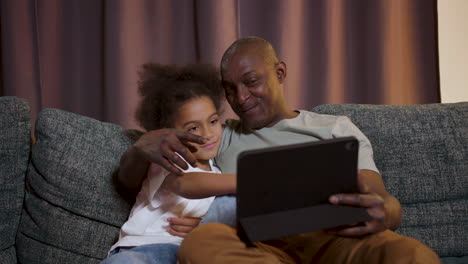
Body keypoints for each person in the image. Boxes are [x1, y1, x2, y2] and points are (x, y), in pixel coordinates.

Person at [118, 37, 440, 263]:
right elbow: (139, 181)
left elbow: (379, 197)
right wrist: (141, 147)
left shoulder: (334, 127)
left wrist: (389, 211)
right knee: (202, 243)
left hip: (335, 240)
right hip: (261, 249)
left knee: (410, 255)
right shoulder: (217, 134)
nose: (241, 98)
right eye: (230, 89)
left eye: (251, 81)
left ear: (280, 73)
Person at [102, 63, 235, 264]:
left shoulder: (218, 175)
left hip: (190, 253)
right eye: (193, 128)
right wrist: (247, 180)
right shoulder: (167, 156)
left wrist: (207, 226)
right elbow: (184, 183)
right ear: (168, 132)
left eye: (213, 121)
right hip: (146, 248)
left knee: (230, 205)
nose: (207, 134)